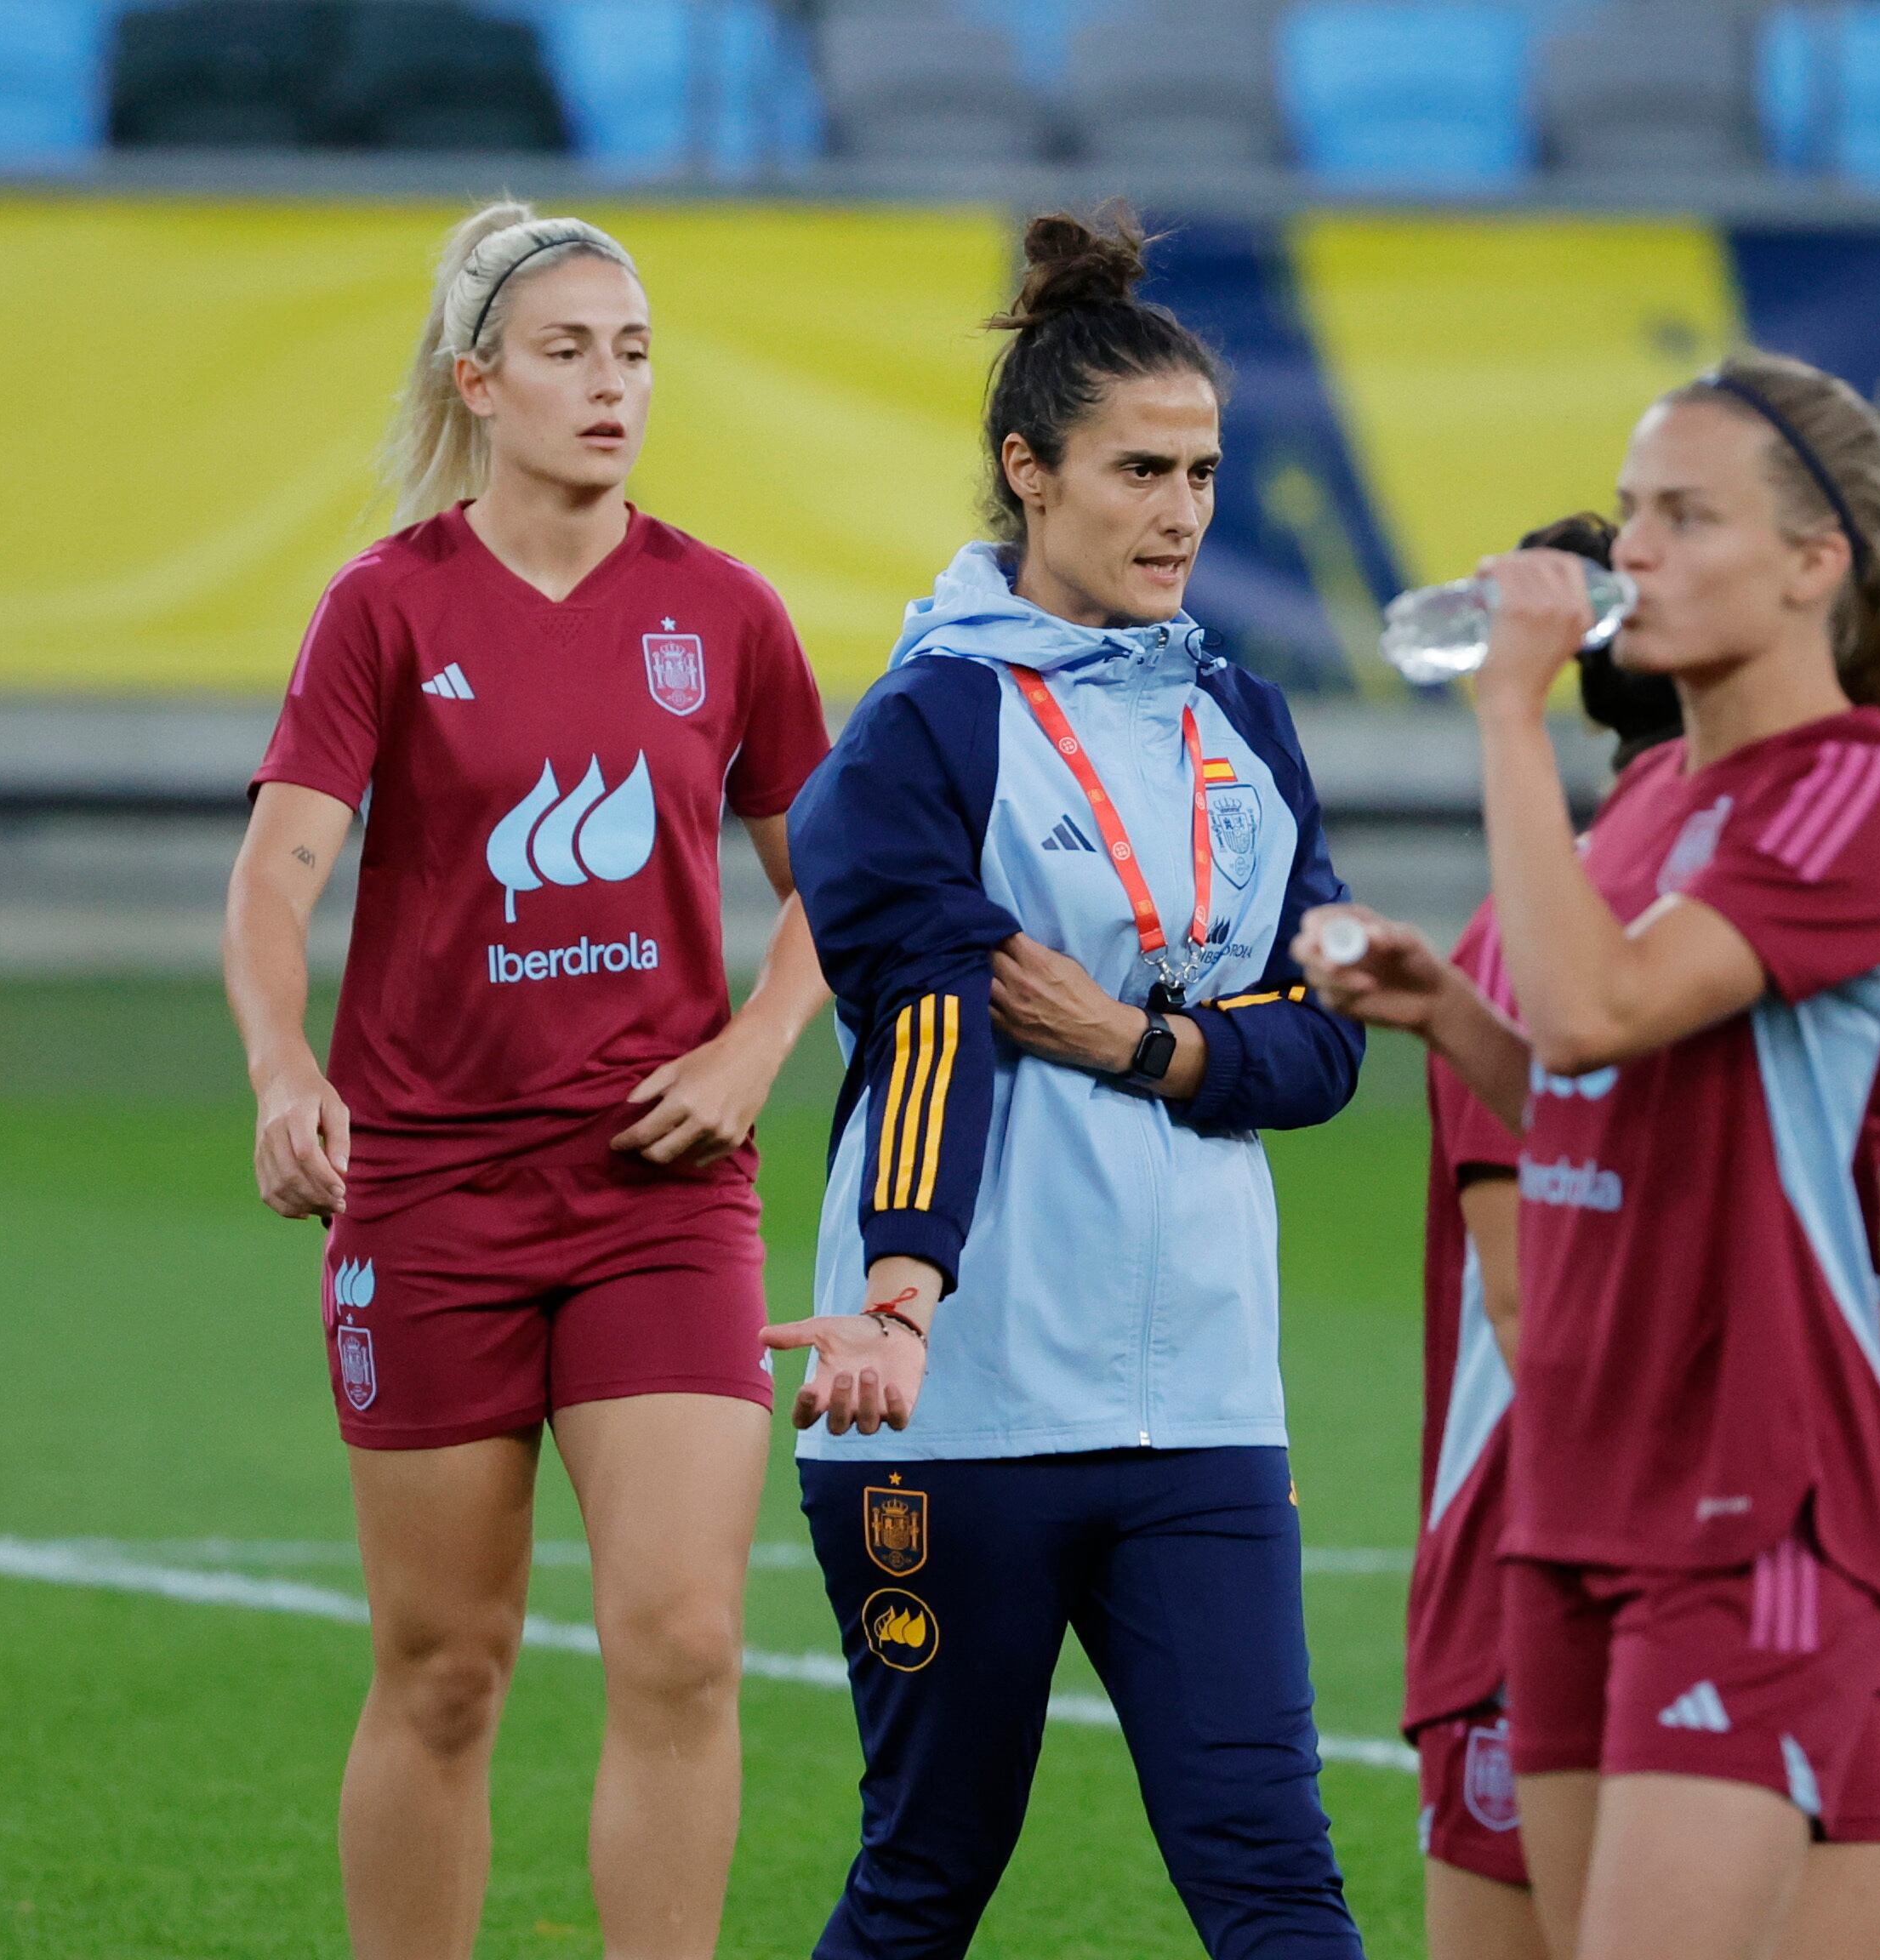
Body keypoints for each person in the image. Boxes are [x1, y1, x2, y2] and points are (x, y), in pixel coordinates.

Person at [221, 201, 835, 1960]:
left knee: (683, 1642)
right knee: (441, 1670)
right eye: (568, 351)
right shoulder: (384, 611)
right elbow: (274, 875)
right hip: (429, 1197)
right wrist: (282, 1071)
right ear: (477, 380)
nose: (610, 385)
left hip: (659, 1200)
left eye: (633, 352)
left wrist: (754, 1041)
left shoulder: (720, 614)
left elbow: (834, 892)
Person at [764, 207, 1370, 1960]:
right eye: (1137, 470)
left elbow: (1321, 1042)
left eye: (1201, 471)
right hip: (956, 1389)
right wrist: (901, 1288)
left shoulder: (1242, 721)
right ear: (1028, 471)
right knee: (926, 1877)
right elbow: (936, 1025)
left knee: (1274, 1874)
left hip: (1205, 1391)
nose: (1183, 511)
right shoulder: (922, 729)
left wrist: (1149, 1046)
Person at [1301, 349, 1880, 1960]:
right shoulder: (1660, 797)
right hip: (1580, 1486)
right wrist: (1454, 1017)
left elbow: (1599, 1012)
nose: (1630, 553)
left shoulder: (1850, 795)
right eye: (1636, 508)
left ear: (1818, 568)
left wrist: (1509, 712)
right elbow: (1591, 1094)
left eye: (1685, 516)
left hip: (1754, 1495)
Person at [1404, 516, 1675, 1960]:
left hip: (1663, 1558)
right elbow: (1529, 1313)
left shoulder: (1702, 908)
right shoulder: (1548, 927)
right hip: (1549, 1556)